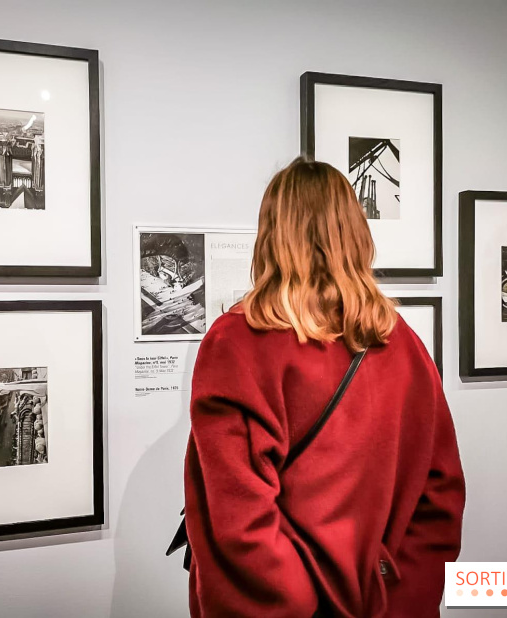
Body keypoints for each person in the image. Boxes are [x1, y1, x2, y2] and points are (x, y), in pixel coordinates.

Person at [183, 157, 465, 618]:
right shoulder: (402, 343)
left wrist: (297, 603)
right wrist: (401, 601)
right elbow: (439, 497)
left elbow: (239, 522)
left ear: (272, 235)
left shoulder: (237, 344)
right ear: (355, 233)